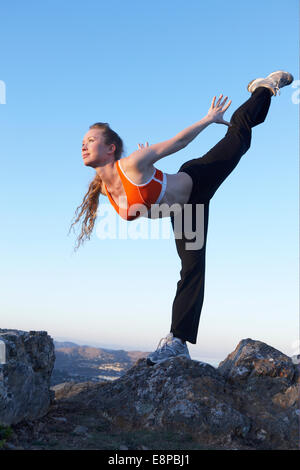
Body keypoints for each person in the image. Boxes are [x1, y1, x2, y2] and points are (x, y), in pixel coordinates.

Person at [70, 70, 293, 365]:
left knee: (239, 135)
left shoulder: (132, 165)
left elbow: (177, 143)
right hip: (185, 211)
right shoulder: (106, 188)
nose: (83, 145)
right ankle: (178, 342)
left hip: (197, 179)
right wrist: (152, 176)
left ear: (110, 148)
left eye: (91, 140)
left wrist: (207, 119)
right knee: (191, 269)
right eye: (83, 141)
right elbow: (150, 203)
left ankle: (264, 89)